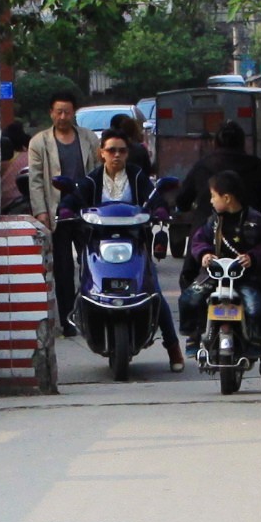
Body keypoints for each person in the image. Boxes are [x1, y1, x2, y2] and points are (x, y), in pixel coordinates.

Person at [56, 124, 184, 369]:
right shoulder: (91, 180)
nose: (117, 155)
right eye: (111, 150)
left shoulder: (137, 177)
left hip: (135, 245)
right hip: (97, 246)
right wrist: (65, 208)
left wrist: (160, 210)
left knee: (154, 291)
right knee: (83, 285)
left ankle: (174, 348)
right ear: (101, 152)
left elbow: (154, 198)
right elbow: (74, 197)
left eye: (122, 151)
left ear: (128, 153)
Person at [180, 168, 261, 392]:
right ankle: (193, 335)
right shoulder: (212, 223)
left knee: (257, 307)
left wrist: (252, 257)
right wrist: (205, 254)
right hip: (215, 276)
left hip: (246, 278)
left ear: (226, 198)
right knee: (190, 298)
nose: (210, 200)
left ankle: (256, 343)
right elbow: (198, 241)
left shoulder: (255, 221)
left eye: (213, 196)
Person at [22, 95, 90, 222]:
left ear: (74, 113)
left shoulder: (89, 138)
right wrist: (40, 212)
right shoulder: (38, 142)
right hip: (55, 209)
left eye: (67, 113)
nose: (63, 117)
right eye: (59, 112)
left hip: (86, 208)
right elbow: (36, 180)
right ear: (51, 113)